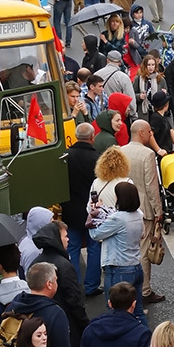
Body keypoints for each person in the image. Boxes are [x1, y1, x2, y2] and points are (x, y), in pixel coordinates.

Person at [31, 219, 91, 347]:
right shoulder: (64, 265)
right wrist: (85, 325)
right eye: (65, 236)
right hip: (66, 327)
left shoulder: (35, 263)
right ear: (57, 239)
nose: (68, 239)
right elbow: (74, 300)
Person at [122, 121, 166, 305]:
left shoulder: (121, 150)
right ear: (141, 133)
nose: (151, 134)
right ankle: (144, 290)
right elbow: (150, 186)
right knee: (144, 251)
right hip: (144, 209)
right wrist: (158, 210)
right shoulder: (148, 154)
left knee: (127, 250)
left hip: (123, 207)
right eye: (149, 131)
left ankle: (126, 287)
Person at [92, 181, 145, 313]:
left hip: (118, 269)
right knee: (137, 310)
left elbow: (96, 234)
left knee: (115, 310)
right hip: (136, 266)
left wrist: (93, 216)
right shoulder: (138, 214)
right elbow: (143, 234)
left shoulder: (118, 219)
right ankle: (144, 334)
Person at [63, 127, 103, 297]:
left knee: (72, 248)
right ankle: (91, 285)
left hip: (70, 209)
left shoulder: (66, 157)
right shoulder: (97, 158)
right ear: (92, 137)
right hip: (92, 209)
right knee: (94, 247)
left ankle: (74, 286)